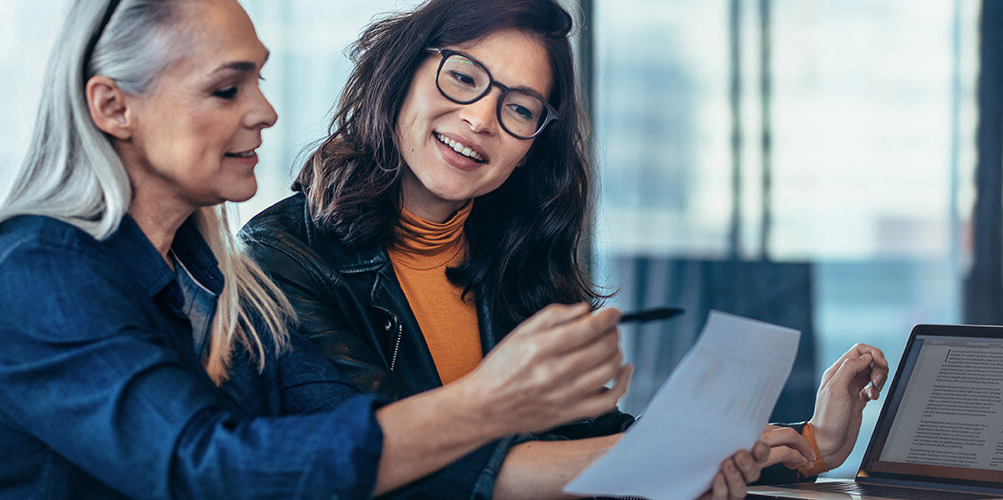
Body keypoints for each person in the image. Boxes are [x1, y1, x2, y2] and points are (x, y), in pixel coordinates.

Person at [0, 0, 775, 497]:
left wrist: (738, 447)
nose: (266, 112)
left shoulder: (207, 276)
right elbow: (208, 472)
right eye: (227, 86)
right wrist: (495, 402)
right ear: (112, 107)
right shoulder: (37, 269)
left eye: (257, 78)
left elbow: (335, 452)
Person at [240, 0, 891, 495]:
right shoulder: (279, 258)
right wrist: (673, 460)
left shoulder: (513, 261)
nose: (480, 119)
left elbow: (584, 443)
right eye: (463, 77)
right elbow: (394, 462)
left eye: (519, 109)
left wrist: (811, 441)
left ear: (531, 149)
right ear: (402, 74)